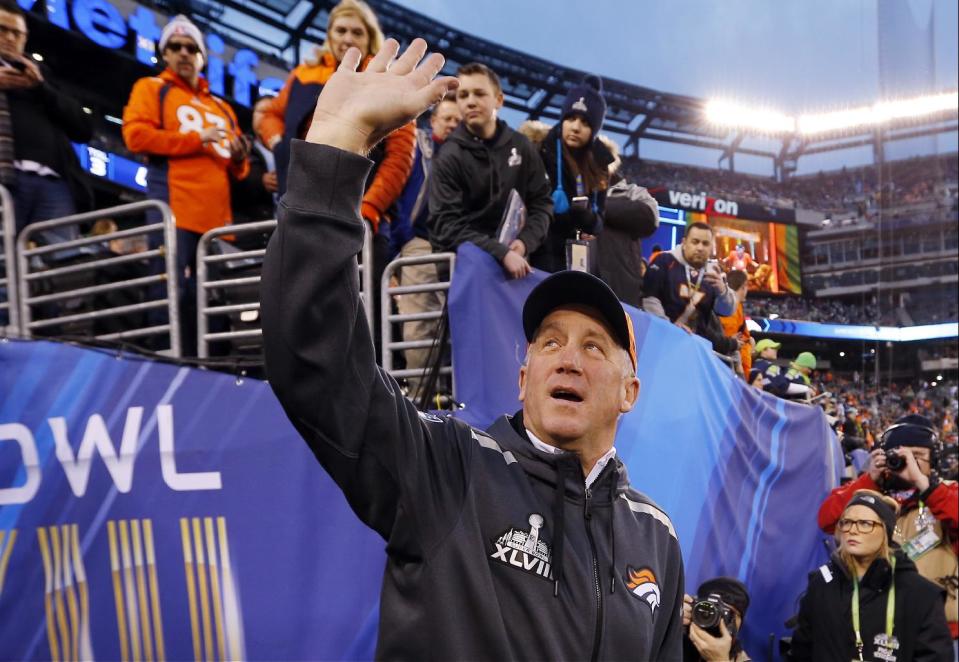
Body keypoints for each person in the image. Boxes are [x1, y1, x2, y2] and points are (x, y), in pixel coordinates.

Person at [260, 38, 684, 659]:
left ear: (630, 390)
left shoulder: (657, 538)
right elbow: (313, 356)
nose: (567, 356)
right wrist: (333, 151)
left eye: (595, 346)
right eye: (548, 341)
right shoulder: (447, 469)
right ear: (522, 376)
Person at [255, 0, 414, 360]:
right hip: (304, 205)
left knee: (364, 308)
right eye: (340, 30)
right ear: (329, 35)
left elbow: (400, 157)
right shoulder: (305, 74)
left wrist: (370, 208)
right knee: (301, 298)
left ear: (369, 36)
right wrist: (278, 145)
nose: (347, 38)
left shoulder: (384, 75)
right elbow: (269, 114)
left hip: (364, 216)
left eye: (356, 31)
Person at [122, 14, 250, 356]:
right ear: (164, 53)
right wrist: (197, 139)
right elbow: (135, 136)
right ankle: (164, 358)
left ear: (201, 57)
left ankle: (217, 364)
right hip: (173, 205)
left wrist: (239, 156)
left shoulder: (221, 107)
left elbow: (238, 170)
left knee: (215, 294)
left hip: (216, 218)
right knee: (168, 289)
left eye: (191, 47)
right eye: (175, 46)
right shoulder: (151, 88)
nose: (183, 53)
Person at [818, 415, 959, 641]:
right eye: (901, 455)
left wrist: (925, 486)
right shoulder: (870, 495)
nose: (909, 462)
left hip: (938, 631)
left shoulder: (948, 493)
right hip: (876, 629)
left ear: (934, 460)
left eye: (918, 456)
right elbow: (826, 520)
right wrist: (868, 479)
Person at [790, 490, 952, 661]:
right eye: (847, 522)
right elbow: (802, 651)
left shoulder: (922, 595)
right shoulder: (821, 584)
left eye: (865, 523)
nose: (853, 530)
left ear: (885, 531)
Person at [427, 62, 552, 280]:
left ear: (499, 100)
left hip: (517, 265)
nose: (471, 102)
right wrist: (500, 252)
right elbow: (445, 224)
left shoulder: (522, 146)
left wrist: (524, 242)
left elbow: (542, 203)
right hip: (465, 273)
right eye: (463, 95)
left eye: (479, 94)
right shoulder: (449, 155)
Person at [0, 0, 92, 243]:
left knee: (60, 268)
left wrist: (41, 88)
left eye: (17, 33)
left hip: (53, 183)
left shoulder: (42, 76)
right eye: (2, 30)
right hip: (5, 181)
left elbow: (83, 128)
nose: (10, 38)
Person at [390, 93, 461, 396]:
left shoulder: (469, 155)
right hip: (420, 241)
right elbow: (398, 192)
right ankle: (422, 397)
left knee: (454, 323)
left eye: (459, 121)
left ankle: (448, 394)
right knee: (420, 323)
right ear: (433, 121)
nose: (453, 125)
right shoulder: (417, 146)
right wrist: (403, 238)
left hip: (458, 248)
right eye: (448, 119)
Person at [529, 75, 613, 273]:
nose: (575, 127)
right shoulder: (541, 151)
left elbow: (600, 220)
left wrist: (589, 219)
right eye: (571, 118)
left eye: (584, 122)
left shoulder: (600, 164)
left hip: (580, 262)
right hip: (540, 259)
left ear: (593, 130)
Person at [642, 222, 737, 349]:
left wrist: (723, 291)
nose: (700, 248)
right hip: (661, 342)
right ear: (684, 242)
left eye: (705, 243)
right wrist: (668, 328)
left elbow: (726, 311)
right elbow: (650, 300)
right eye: (695, 242)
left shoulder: (713, 273)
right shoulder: (664, 261)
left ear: (711, 247)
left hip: (696, 349)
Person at [594, 135, 659, 308]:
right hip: (577, 282)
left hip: (620, 292)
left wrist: (595, 206)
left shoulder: (633, 192)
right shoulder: (570, 189)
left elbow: (650, 218)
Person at [682, 577, 752, 662]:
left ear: (740, 622)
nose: (718, 619)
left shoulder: (741, 659)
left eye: (727, 613)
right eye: (710, 610)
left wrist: (720, 659)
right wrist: (669, 619)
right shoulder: (679, 638)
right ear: (695, 608)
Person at [719, 270, 752, 380]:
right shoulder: (730, 307)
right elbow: (727, 338)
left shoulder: (737, 306)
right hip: (730, 369)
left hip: (736, 367)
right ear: (743, 286)